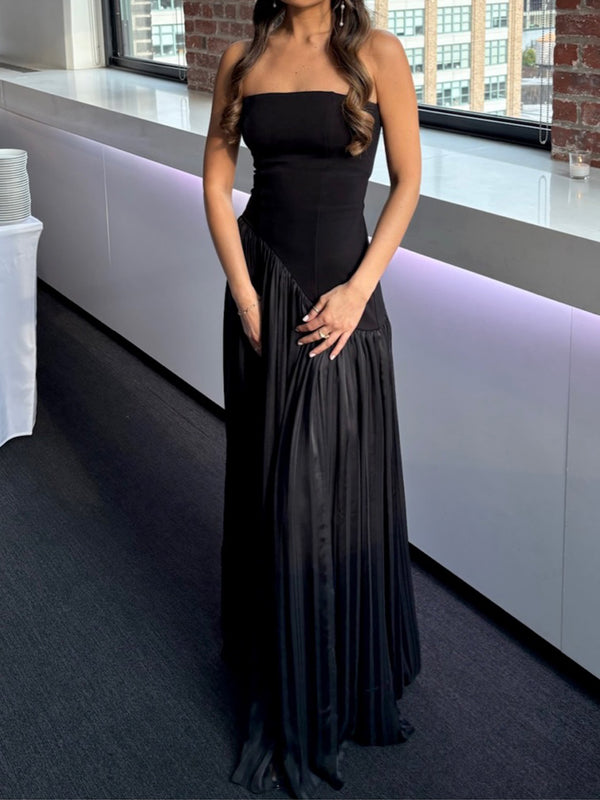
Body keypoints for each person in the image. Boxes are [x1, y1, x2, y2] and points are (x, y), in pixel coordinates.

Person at [203, 1, 422, 797]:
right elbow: (217, 180)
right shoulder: (241, 58)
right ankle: (280, 659)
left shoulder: (379, 52)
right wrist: (243, 292)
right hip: (262, 292)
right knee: (272, 488)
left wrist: (360, 291)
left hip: (342, 306)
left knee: (336, 497)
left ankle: (341, 673)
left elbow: (408, 183)